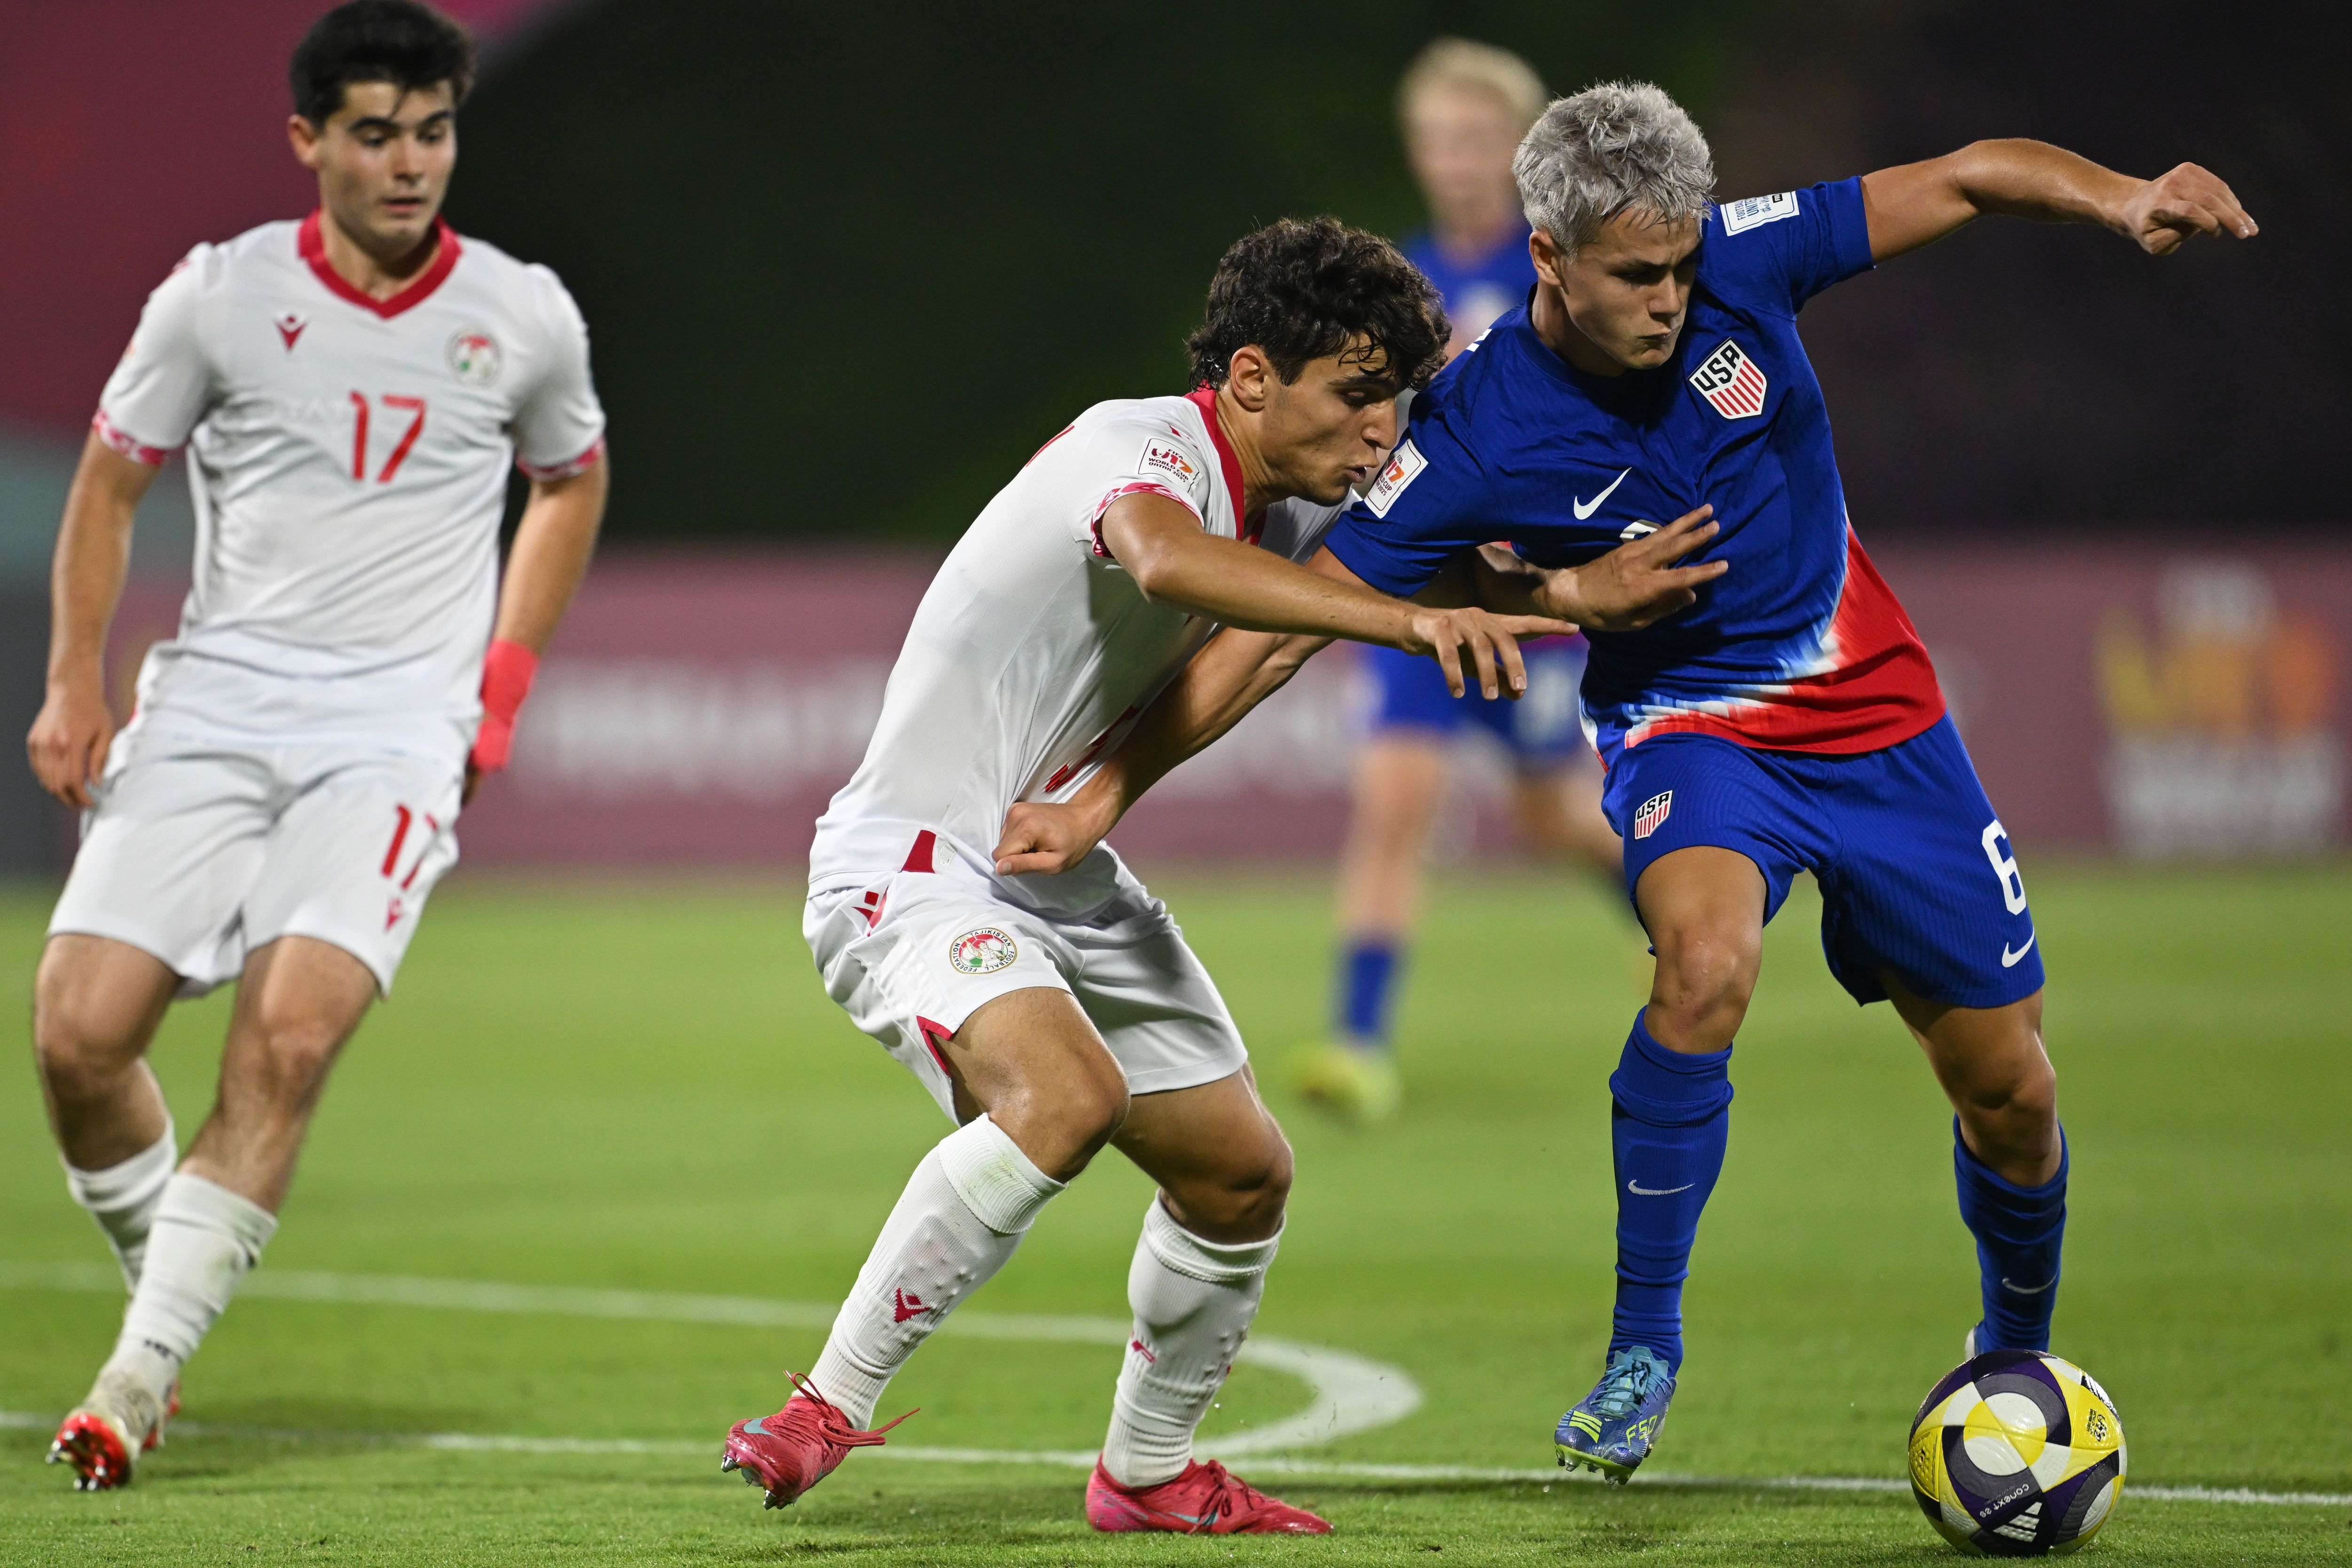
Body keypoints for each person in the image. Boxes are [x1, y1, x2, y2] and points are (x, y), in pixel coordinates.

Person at [994, 82, 2251, 1488]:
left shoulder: (1746, 256)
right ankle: (1643, 1347)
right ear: (1549, 256)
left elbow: (1965, 175)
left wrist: (2123, 196)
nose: (1670, 296)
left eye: (1679, 265)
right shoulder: (1472, 430)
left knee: (2007, 1087)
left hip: (1879, 714)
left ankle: (2013, 1355)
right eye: (1637, 275)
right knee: (1704, 967)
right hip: (1687, 725)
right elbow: (1281, 628)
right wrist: (1107, 789)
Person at [723, 217, 1714, 1536]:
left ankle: (1146, 1474)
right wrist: (1409, 621)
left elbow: (1425, 577)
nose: (1382, 431)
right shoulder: (1139, 447)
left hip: (1054, 866)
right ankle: (820, 1407)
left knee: (1241, 1176)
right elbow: (1169, 561)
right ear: (1251, 378)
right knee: (1064, 1099)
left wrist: (1572, 598)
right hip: (913, 861)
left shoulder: (1291, 502)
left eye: (1396, 400)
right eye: (1356, 395)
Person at [27, 0, 609, 1490]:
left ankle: (134, 1380)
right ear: (308, 141)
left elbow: (569, 480)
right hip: (214, 707)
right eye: (375, 134)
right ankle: (173, 1282)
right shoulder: (217, 297)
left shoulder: (522, 313)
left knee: (288, 1038)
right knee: (78, 1039)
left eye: (434, 133)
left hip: (396, 735)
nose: (410, 164)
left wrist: (499, 685)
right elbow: (106, 486)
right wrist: (74, 683)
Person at [1301, 40, 1618, 1125]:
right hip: (1419, 592)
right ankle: (1358, 1045)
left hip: (1530, 600)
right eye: (1439, 139)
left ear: (1521, 151)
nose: (1457, 159)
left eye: (1477, 138)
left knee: (1554, 820)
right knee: (1393, 808)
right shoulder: (1397, 283)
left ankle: (1691, 924)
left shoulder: (1566, 276)